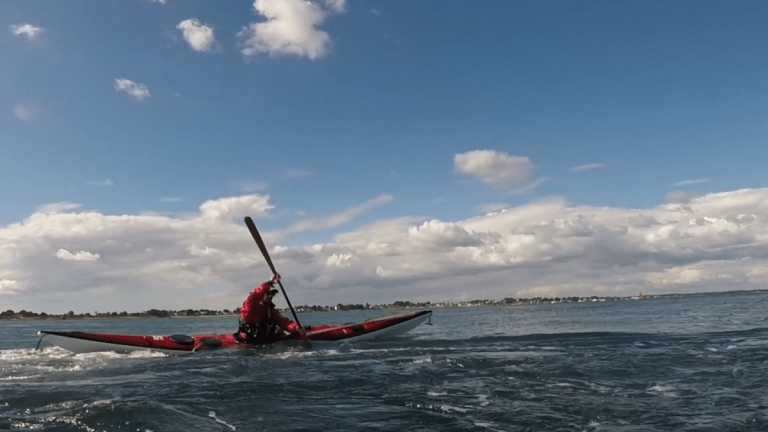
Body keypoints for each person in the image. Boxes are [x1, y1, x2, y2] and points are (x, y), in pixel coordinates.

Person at [236, 273, 302, 344]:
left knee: (278, 331)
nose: (271, 296)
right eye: (268, 294)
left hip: (265, 343)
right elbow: (254, 296)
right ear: (263, 294)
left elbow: (285, 324)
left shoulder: (270, 311)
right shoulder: (250, 307)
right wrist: (270, 283)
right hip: (248, 342)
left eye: (272, 294)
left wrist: (297, 328)